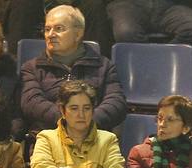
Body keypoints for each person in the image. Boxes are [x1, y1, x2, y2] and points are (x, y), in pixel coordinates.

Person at [19, 4, 125, 133]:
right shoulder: (31, 68)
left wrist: (87, 122)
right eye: (47, 29)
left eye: (59, 28)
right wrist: (68, 121)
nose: (50, 35)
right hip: (47, 141)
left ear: (78, 34)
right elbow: (32, 103)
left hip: (93, 139)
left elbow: (116, 103)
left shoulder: (104, 66)